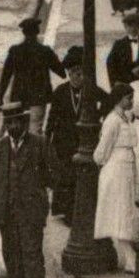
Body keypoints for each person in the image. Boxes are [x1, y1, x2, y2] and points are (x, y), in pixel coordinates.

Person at [0, 103, 52, 278]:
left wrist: (35, 191)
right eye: (9, 122)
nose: (13, 126)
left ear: (24, 122)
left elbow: (53, 175)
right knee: (11, 253)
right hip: (8, 211)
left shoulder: (39, 144)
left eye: (17, 121)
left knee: (32, 254)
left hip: (30, 211)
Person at [93, 83, 139, 272]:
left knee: (126, 210)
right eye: (128, 98)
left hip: (127, 169)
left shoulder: (125, 118)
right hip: (117, 170)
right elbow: (102, 150)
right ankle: (130, 259)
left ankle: (129, 256)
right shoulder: (112, 121)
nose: (131, 101)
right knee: (121, 211)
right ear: (118, 99)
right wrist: (103, 162)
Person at [43, 46, 98, 221]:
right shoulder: (60, 91)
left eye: (81, 72)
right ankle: (67, 212)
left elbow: (110, 100)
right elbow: (51, 118)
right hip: (64, 141)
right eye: (74, 72)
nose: (77, 76)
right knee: (66, 176)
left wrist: (98, 117)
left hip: (83, 140)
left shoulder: (91, 89)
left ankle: (83, 211)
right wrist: (47, 137)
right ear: (68, 73)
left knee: (82, 175)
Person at [0, 17, 66, 133]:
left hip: (18, 99)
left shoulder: (15, 51)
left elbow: (5, 76)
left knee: (18, 131)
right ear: (37, 32)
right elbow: (62, 73)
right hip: (38, 99)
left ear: (23, 33)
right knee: (35, 131)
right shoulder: (44, 51)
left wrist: (0, 97)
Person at [105, 10, 139, 88]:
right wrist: (115, 83)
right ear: (125, 27)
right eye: (130, 26)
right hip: (124, 82)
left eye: (136, 25)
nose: (133, 29)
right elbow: (110, 64)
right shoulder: (119, 44)